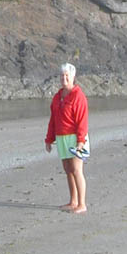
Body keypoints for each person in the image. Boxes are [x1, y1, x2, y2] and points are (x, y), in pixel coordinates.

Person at [45, 62, 89, 213]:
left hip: (75, 138)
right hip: (61, 137)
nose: (64, 78)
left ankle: (82, 204)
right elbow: (53, 119)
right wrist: (49, 139)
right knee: (68, 169)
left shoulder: (78, 95)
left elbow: (82, 120)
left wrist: (81, 141)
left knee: (77, 169)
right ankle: (73, 201)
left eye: (67, 76)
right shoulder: (57, 97)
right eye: (62, 75)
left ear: (73, 77)